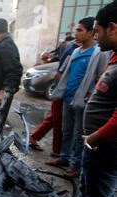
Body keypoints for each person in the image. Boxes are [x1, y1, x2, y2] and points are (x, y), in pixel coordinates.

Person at [54, 2, 117, 197]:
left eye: (98, 31)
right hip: (98, 142)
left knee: (100, 196)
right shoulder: (113, 57)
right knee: (88, 185)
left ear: (112, 28)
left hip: (107, 144)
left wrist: (94, 136)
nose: (96, 36)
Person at [47, 17, 110, 178]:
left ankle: (75, 164)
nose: (76, 33)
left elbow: (101, 76)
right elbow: (67, 74)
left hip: (82, 101)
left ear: (90, 33)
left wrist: (90, 94)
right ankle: (64, 157)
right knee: (66, 130)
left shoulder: (98, 53)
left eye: (80, 30)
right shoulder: (75, 51)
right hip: (68, 98)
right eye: (76, 30)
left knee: (78, 133)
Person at [0, 19, 23, 104]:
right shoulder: (2, 45)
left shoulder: (6, 45)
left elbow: (15, 71)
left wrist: (3, 92)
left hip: (2, 96)